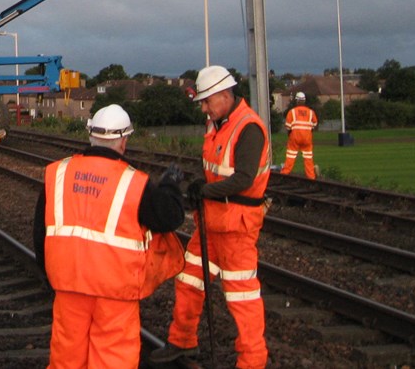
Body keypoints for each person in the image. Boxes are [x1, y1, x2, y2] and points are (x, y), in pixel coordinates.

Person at [34, 104, 186, 369]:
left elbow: (40, 232)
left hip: (69, 285)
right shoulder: (134, 183)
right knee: (112, 359)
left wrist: (50, 277)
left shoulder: (58, 173)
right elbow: (169, 217)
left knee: (66, 359)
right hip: (115, 292)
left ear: (90, 135)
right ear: (123, 141)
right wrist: (171, 184)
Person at [151, 66, 270, 368]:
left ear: (223, 94)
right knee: (189, 280)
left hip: (236, 226)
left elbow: (243, 178)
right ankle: (182, 340)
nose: (203, 108)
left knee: (242, 298)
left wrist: (206, 191)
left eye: (206, 101)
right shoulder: (216, 123)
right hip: (212, 222)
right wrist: (197, 186)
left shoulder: (248, 128)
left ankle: (252, 363)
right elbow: (213, 170)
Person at [282, 91, 318, 179]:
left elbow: (288, 127)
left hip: (295, 138)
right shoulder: (311, 112)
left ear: (297, 101)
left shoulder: (292, 112)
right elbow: (315, 124)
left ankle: (284, 175)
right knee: (308, 158)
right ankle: (311, 177)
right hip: (307, 138)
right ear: (304, 101)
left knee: (290, 157)